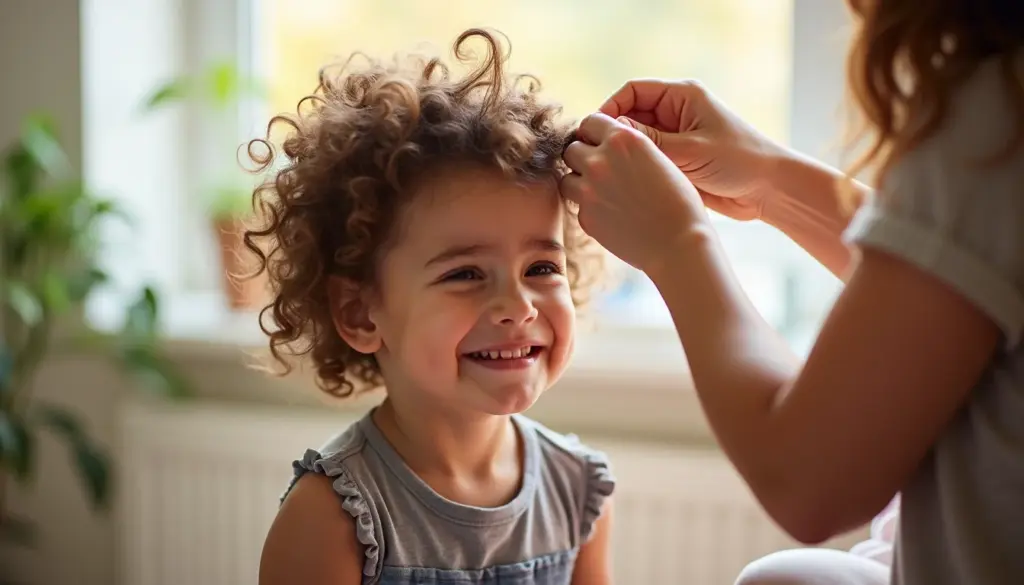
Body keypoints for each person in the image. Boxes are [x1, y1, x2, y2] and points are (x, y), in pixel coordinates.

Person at [559, 1, 1024, 584]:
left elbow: (808, 483)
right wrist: (771, 180)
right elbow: (953, 294)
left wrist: (677, 244)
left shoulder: (994, 124)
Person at [251, 28, 615, 585]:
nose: (518, 306)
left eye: (542, 268)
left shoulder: (580, 491)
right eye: (465, 273)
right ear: (360, 314)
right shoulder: (330, 520)